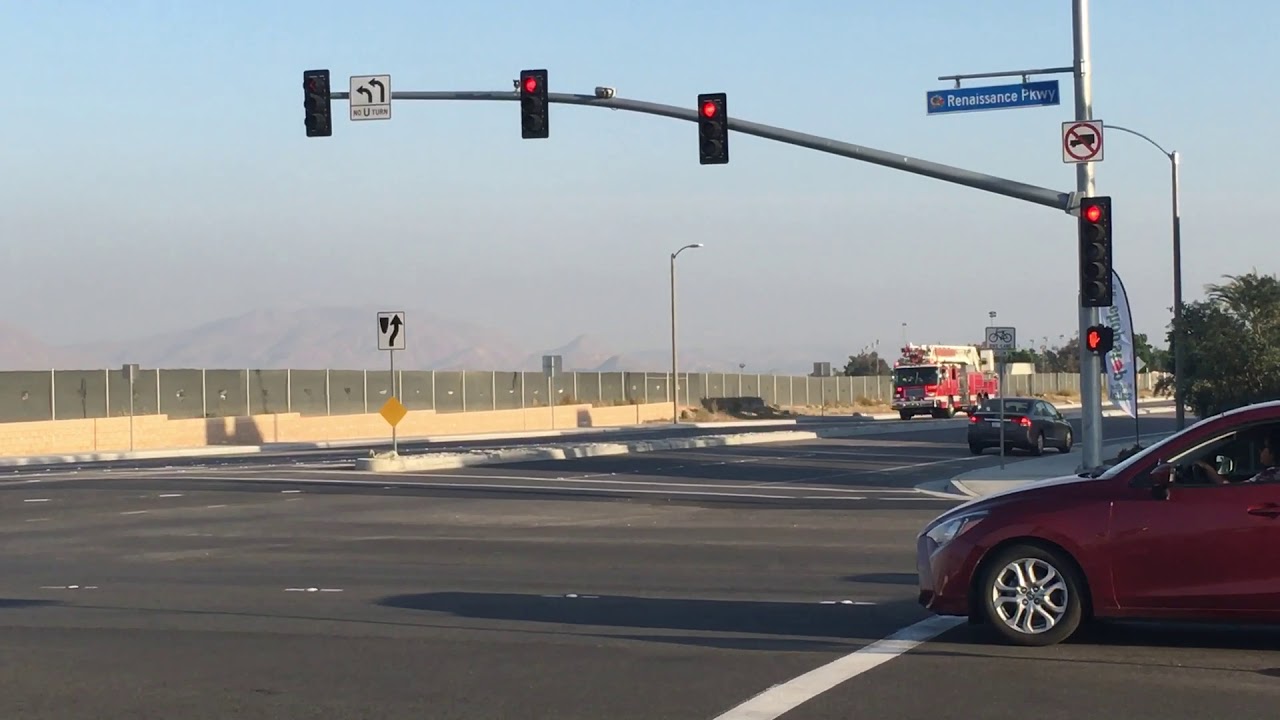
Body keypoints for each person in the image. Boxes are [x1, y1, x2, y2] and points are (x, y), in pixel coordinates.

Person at [1195, 427, 1280, 484]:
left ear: (1275, 450)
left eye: (1265, 446)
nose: (1260, 451)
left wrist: (1206, 468)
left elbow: (1233, 490)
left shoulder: (1271, 475)